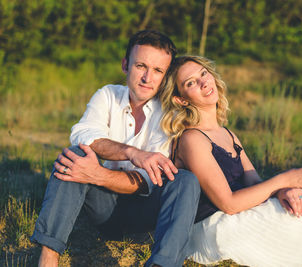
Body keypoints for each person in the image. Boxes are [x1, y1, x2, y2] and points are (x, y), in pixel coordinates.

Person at [160, 55, 302, 266]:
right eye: (191, 83)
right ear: (181, 100)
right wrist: (284, 179)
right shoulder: (192, 139)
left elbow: (255, 183)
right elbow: (228, 203)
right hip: (216, 228)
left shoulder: (227, 133)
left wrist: (282, 190)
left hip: (241, 214)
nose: (203, 82)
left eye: (203, 73)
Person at [30, 30, 201, 267]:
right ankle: (49, 256)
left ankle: (162, 263)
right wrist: (132, 153)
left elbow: (148, 180)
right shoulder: (108, 95)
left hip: (147, 212)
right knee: (76, 155)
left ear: (165, 76)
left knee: (185, 180)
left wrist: (98, 174)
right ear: (125, 65)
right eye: (141, 66)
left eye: (158, 71)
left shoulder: (169, 113)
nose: (147, 77)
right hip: (104, 207)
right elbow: (83, 135)